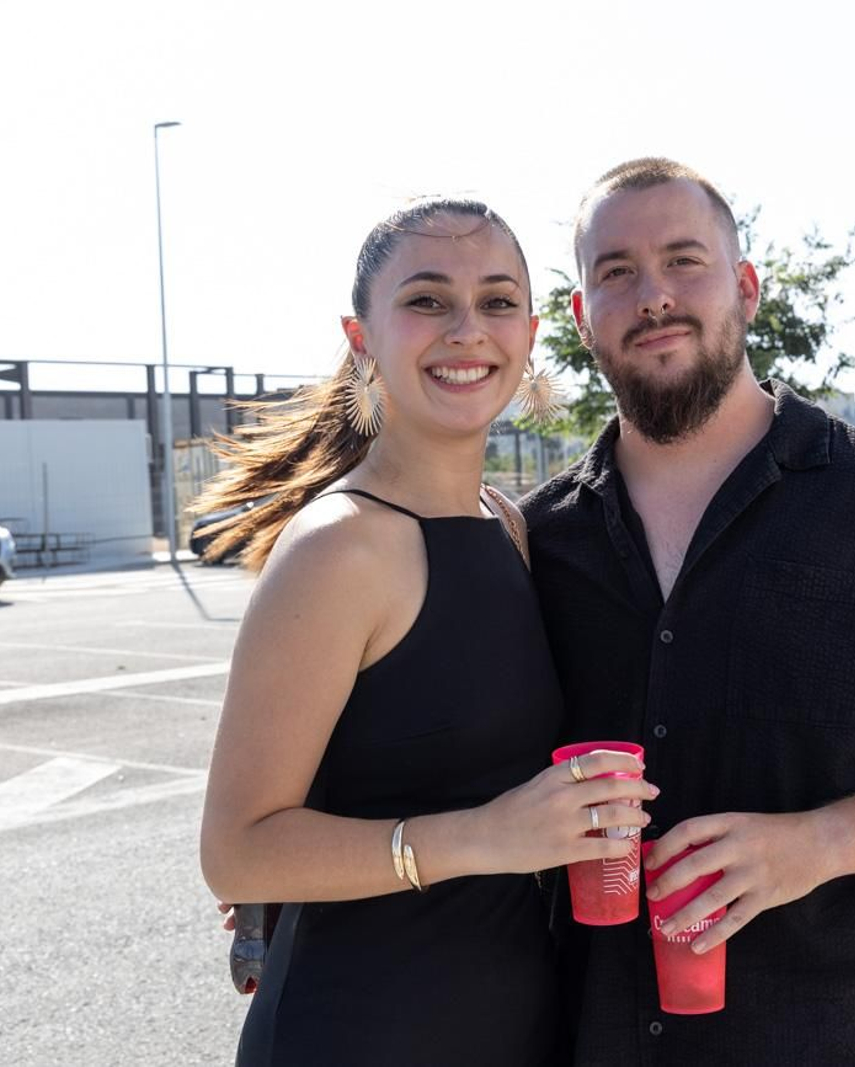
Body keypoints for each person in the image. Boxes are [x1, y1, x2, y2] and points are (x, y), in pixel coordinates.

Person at [520, 159, 855, 1064]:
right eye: (615, 271)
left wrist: (820, 842)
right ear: (583, 318)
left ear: (745, 288)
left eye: (683, 260)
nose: (653, 294)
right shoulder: (538, 541)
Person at [196, 198, 656, 1066]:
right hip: (359, 1030)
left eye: (495, 300)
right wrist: (488, 835)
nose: (466, 330)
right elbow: (236, 851)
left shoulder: (507, 525)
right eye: (427, 300)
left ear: (528, 331)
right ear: (362, 336)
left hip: (512, 1023)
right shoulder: (341, 547)